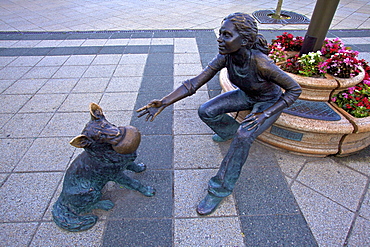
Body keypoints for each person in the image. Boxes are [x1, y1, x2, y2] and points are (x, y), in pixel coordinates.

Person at [137, 13, 301, 215]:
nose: (220, 39)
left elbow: (295, 90)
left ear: (245, 40)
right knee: (206, 111)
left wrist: (265, 114)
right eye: (221, 33)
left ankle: (220, 188)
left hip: (268, 102)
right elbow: (194, 83)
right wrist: (164, 101)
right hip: (247, 95)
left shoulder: (261, 63)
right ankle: (228, 132)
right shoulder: (226, 56)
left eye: (227, 35)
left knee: (244, 135)